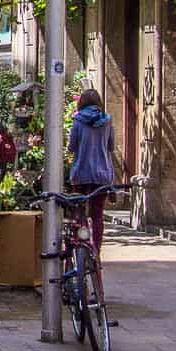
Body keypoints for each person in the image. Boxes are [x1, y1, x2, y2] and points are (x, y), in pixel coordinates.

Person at [66, 89, 115, 252]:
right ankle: (97, 251)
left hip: (81, 172)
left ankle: (83, 244)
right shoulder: (107, 121)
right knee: (98, 214)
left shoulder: (78, 121)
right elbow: (111, 146)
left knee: (79, 211)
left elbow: (72, 146)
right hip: (102, 174)